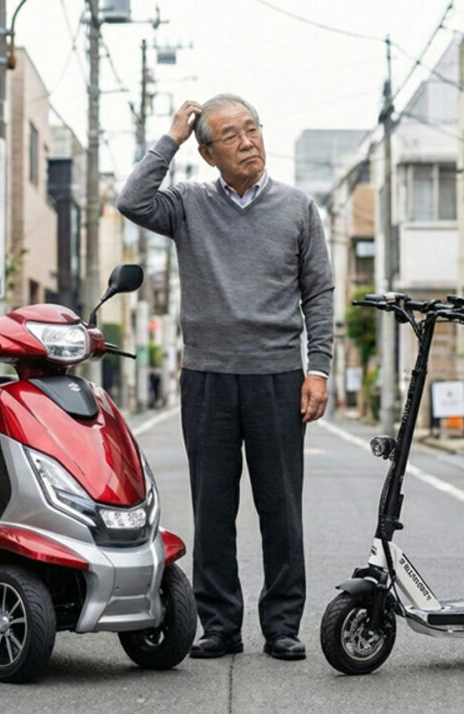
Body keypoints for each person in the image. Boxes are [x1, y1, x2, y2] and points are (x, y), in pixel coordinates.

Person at [117, 95, 334, 661]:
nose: (248, 142)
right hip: (208, 378)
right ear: (208, 153)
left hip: (278, 377)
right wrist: (171, 137)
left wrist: (319, 370)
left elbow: (319, 293)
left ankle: (283, 624)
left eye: (253, 129)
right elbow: (132, 199)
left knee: (280, 508)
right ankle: (219, 625)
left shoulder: (298, 208)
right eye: (231, 136)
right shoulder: (188, 205)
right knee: (213, 509)